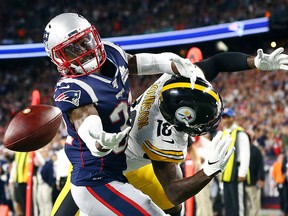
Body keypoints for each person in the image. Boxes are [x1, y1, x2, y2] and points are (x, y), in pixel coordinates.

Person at [50, 36, 288, 215]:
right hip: (111, 167)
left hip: (127, 156)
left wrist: (254, 61)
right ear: (178, 121)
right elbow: (173, 189)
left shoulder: (178, 80)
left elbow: (216, 62)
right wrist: (210, 170)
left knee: (174, 210)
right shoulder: (161, 138)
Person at [44, 12, 199, 216]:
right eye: (73, 49)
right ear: (60, 58)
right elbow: (85, 118)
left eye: (85, 41)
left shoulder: (111, 53)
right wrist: (98, 140)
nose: (85, 50)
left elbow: (136, 62)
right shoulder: (72, 88)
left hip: (121, 163)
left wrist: (169, 63)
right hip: (94, 174)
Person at [220, 108, 250, 216]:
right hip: (226, 173)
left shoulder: (240, 133)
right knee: (228, 202)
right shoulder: (224, 133)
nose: (225, 120)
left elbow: (245, 154)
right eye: (224, 117)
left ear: (233, 118)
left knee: (238, 203)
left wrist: (242, 173)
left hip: (236, 171)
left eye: (228, 117)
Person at [245, 130, 265, 216]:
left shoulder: (256, 151)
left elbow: (261, 166)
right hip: (243, 183)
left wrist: (261, 179)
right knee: (246, 206)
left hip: (254, 183)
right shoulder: (241, 150)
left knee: (255, 205)